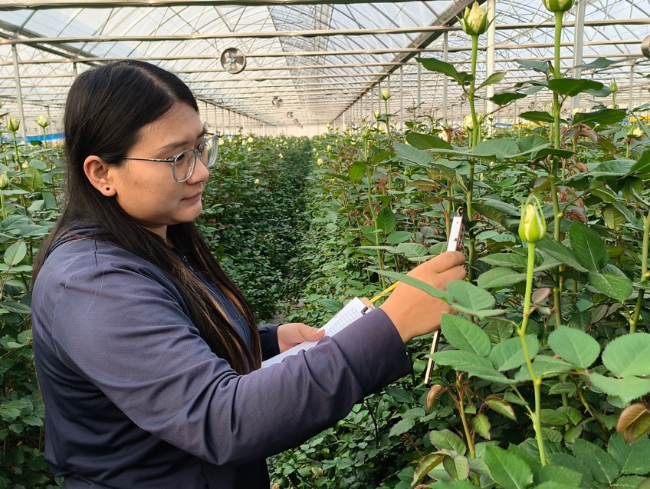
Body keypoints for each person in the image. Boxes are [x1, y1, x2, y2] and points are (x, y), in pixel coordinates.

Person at [31, 60, 466, 489]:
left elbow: (171, 341)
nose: (202, 171)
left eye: (200, 147)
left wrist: (264, 343)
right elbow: (222, 419)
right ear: (102, 173)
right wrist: (393, 325)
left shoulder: (153, 239)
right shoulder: (90, 284)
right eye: (177, 157)